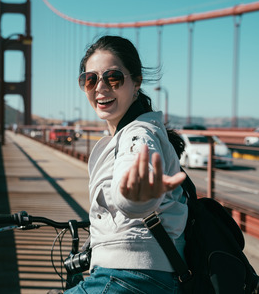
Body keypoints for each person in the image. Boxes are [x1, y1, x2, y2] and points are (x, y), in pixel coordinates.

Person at [66, 35, 188, 293]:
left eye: (113, 78)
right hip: (137, 275)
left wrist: (135, 197)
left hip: (130, 278)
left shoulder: (138, 135)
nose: (100, 87)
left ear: (136, 82)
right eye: (90, 79)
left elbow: (133, 182)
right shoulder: (127, 133)